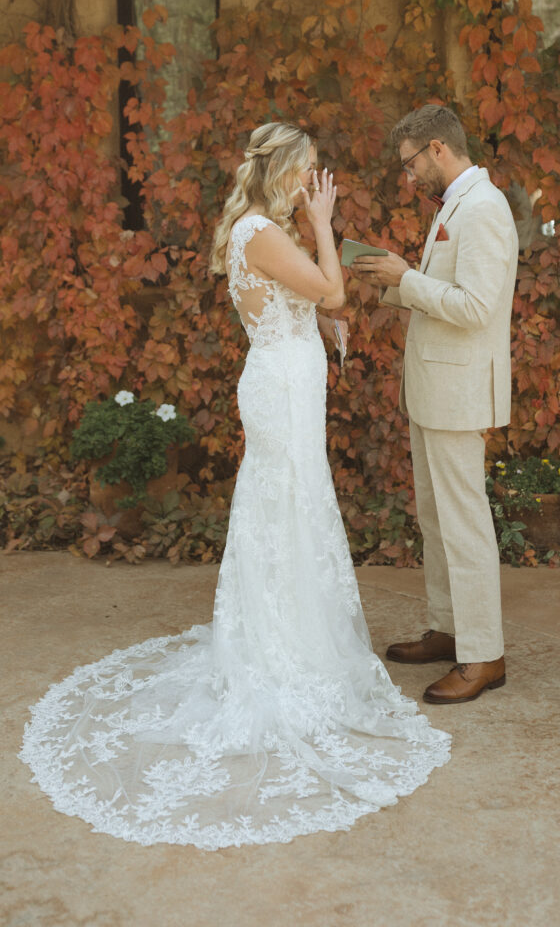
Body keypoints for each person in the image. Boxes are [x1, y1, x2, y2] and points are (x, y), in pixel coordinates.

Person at [19, 122, 449, 850]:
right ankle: (278, 654)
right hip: (281, 385)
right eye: (311, 172)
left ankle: (294, 638)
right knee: (282, 507)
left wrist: (318, 315)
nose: (319, 183)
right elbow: (334, 289)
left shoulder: (258, 230)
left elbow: (308, 303)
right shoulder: (261, 229)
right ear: (284, 172)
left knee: (290, 508)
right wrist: (322, 226)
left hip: (289, 377)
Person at [352, 104, 519, 705]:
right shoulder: (454, 205)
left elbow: (475, 307)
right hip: (433, 389)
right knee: (435, 518)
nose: (409, 176)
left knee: (465, 524)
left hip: (459, 390)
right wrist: (392, 285)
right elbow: (442, 295)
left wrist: (405, 277)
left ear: (438, 150)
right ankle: (450, 630)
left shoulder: (483, 209)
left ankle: (484, 656)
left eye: (411, 163)